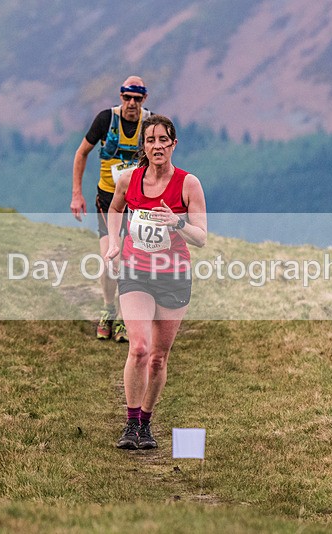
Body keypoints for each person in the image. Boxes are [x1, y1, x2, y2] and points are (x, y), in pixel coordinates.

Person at [104, 115, 207, 450]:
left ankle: (146, 423)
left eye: (164, 140)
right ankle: (131, 423)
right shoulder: (129, 179)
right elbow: (115, 209)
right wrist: (114, 241)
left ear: (174, 144)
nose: (157, 146)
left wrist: (177, 222)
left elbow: (201, 237)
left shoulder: (188, 184)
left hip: (173, 276)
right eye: (151, 140)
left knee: (159, 358)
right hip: (135, 271)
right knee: (139, 348)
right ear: (144, 146)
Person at [71, 76, 151, 343]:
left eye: (137, 99)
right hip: (107, 201)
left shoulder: (150, 124)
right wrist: (77, 194)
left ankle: (125, 319)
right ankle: (108, 309)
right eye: (127, 98)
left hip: (138, 203)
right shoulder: (106, 120)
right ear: (121, 97)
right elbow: (81, 153)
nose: (131, 103)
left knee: (131, 263)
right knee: (109, 261)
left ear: (144, 99)